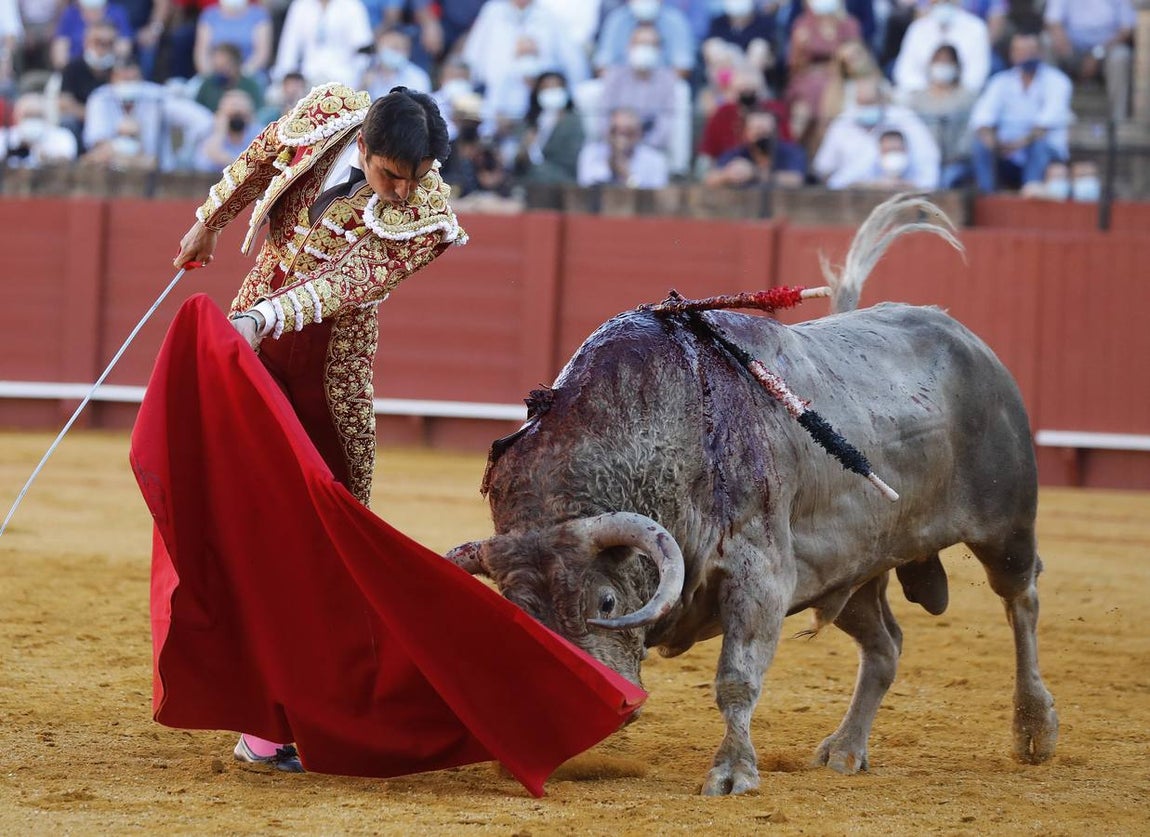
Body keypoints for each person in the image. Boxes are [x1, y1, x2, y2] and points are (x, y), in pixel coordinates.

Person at [172, 84, 466, 770]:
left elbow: (344, 284)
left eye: (416, 177)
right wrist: (210, 221)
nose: (403, 191)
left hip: (325, 380)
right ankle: (264, 705)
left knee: (327, 542)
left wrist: (261, 318)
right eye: (391, 174)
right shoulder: (329, 112)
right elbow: (262, 154)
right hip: (251, 348)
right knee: (239, 521)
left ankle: (289, 716)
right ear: (362, 147)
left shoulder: (428, 217)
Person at [969, 32, 1072, 193]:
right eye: (1020, 51)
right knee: (980, 145)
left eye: (1030, 51)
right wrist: (993, 142)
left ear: (1040, 53)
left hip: (1043, 152)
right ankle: (987, 196)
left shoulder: (1058, 81)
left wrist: (1016, 145)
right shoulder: (1000, 81)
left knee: (1039, 146)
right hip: (1005, 151)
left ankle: (1030, 194)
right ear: (1012, 54)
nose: (1025, 56)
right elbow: (982, 120)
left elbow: (1044, 126)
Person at [813, 75, 941, 190]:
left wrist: (906, 186)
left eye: (871, 102)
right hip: (857, 197)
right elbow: (828, 174)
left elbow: (928, 170)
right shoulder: (843, 123)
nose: (866, 108)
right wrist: (870, 186)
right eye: (862, 103)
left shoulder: (904, 119)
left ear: (882, 99)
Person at [785, 0, 862, 150]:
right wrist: (800, 47)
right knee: (802, 111)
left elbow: (856, 58)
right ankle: (794, 149)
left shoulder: (849, 24)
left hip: (841, 78)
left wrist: (836, 65)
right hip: (807, 80)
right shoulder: (802, 24)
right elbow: (793, 66)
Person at [1044, 0, 1135, 123]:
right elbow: (1053, 21)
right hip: (1071, 49)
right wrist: (1065, 46)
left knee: (1121, 55)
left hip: (1107, 49)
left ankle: (1118, 120)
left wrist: (1098, 53)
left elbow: (1126, 29)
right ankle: (1051, 113)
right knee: (1047, 41)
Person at [600, 22, 680, 154]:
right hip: (613, 145)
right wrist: (615, 143)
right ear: (629, 47)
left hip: (650, 148)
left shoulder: (667, 79)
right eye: (641, 44)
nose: (645, 49)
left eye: (651, 45)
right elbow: (602, 116)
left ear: (659, 50)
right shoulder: (614, 76)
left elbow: (666, 122)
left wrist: (644, 147)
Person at [907, 43, 976, 187]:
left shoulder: (967, 98)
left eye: (947, 62)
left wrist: (957, 155)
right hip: (921, 160)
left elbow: (971, 132)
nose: (942, 66)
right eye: (938, 61)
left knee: (946, 180)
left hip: (955, 161)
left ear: (956, 66)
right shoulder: (917, 99)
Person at [892, 0, 990, 95]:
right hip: (922, 95)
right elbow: (904, 72)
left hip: (963, 97)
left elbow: (976, 76)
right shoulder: (917, 28)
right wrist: (930, 92)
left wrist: (953, 93)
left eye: (947, 0)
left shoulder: (976, 28)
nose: (942, 2)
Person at [271, 0, 373, 88]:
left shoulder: (352, 6)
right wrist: (283, 78)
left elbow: (363, 48)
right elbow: (288, 49)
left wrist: (359, 78)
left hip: (344, 78)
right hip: (308, 77)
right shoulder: (300, 6)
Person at [704, 108, 806, 189]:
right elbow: (710, 178)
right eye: (757, 131)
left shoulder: (791, 152)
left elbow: (796, 180)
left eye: (766, 131)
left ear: (776, 133)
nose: (762, 136)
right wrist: (728, 175)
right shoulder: (739, 153)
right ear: (746, 133)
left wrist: (754, 173)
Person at [512, 70, 584, 184]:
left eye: (555, 87)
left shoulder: (572, 121)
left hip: (561, 181)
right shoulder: (529, 121)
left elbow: (571, 158)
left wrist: (537, 168)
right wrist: (524, 150)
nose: (551, 92)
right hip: (526, 180)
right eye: (546, 88)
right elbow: (516, 160)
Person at [593, 0, 697, 78]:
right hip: (621, 86)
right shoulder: (617, 19)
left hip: (663, 87)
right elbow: (602, 65)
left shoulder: (675, 20)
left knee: (680, 89)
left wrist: (653, 83)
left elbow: (683, 67)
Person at [577, 105, 669, 189]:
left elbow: (655, 196)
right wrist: (614, 161)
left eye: (628, 133)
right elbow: (588, 186)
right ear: (607, 132)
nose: (620, 138)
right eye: (615, 131)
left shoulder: (655, 160)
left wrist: (628, 176)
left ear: (639, 134)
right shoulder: (591, 153)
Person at [193, 0, 273, 82]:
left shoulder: (259, 15)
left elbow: (262, 53)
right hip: (215, 76)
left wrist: (242, 75)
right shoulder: (209, 15)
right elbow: (202, 53)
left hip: (251, 75)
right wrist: (210, 76)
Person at [1, 92, 80, 166]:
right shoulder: (5, 137)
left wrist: (46, 157)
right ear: (16, 117)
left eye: (37, 116)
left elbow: (68, 161)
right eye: (28, 115)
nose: (32, 121)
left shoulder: (62, 137)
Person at [193, 42, 265, 113]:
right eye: (218, 67)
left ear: (237, 64)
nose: (221, 71)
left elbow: (259, 111)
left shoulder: (250, 86)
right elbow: (197, 110)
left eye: (225, 66)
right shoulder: (208, 84)